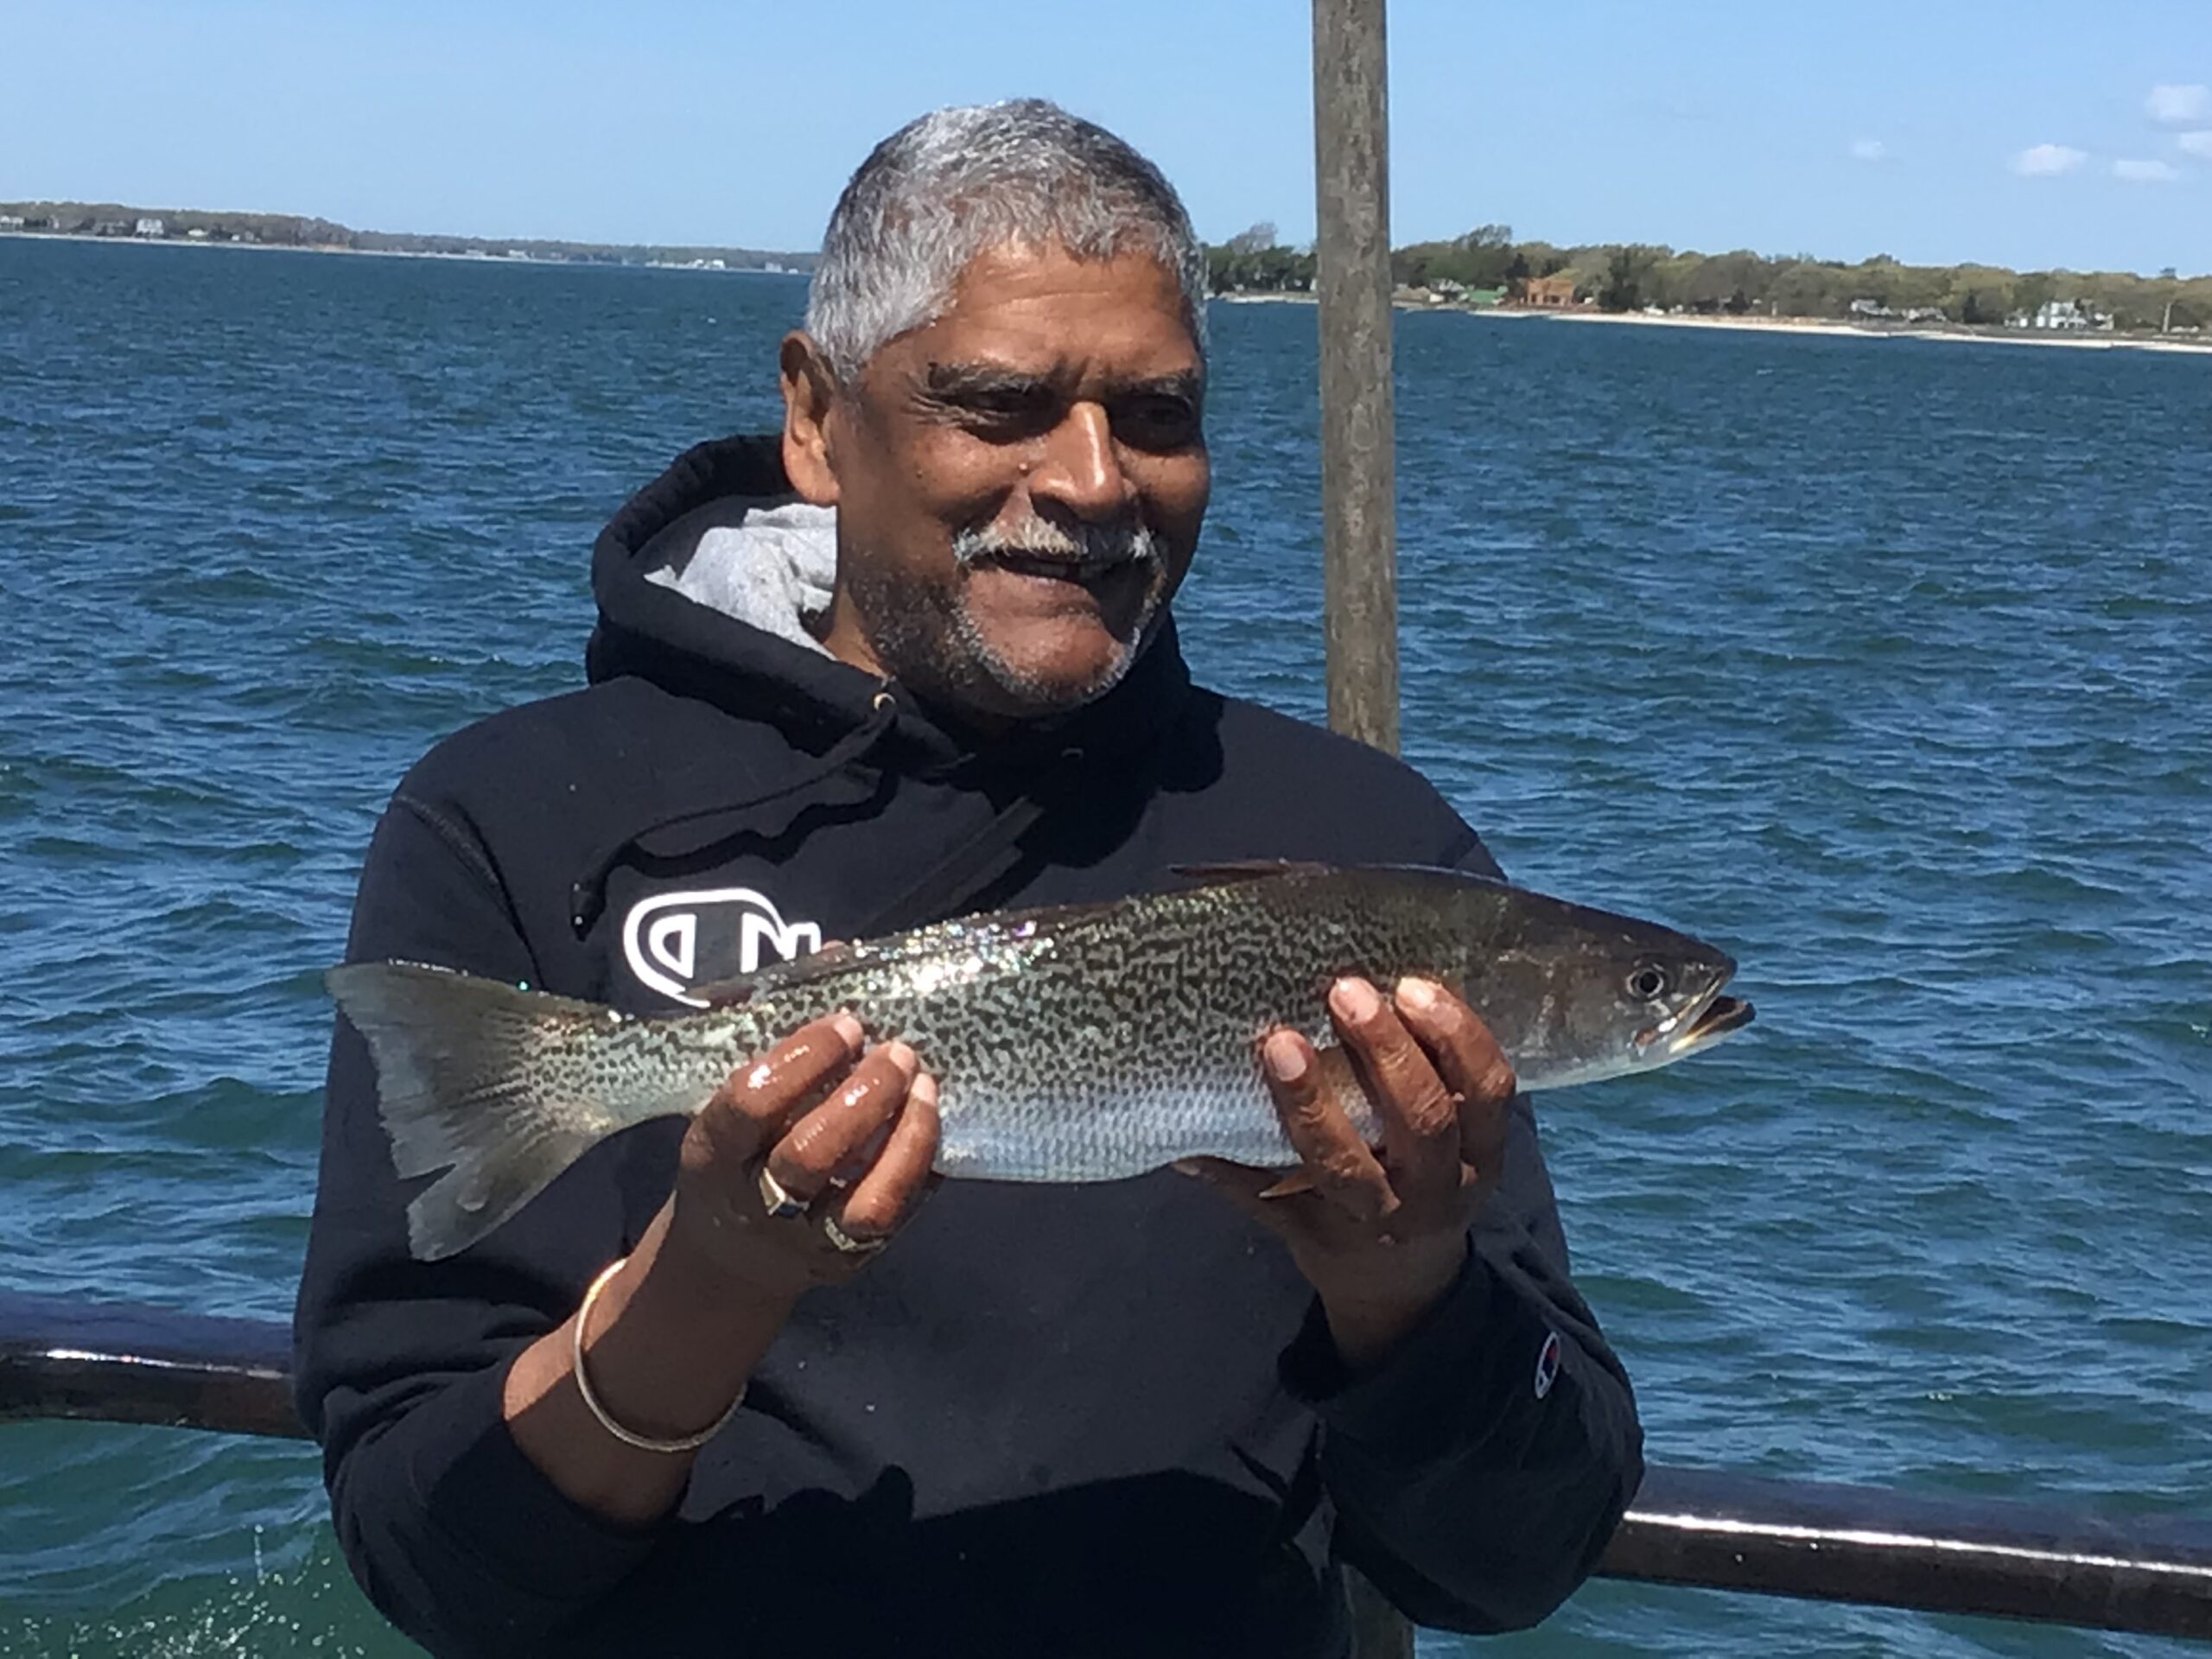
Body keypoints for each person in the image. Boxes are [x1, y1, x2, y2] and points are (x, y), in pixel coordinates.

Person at [293, 99, 1642, 1659]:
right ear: (816, 418)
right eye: (998, 402)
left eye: (1158, 415)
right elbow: (427, 1556)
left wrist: (1410, 1290)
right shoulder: (522, 817)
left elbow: (1519, 1564)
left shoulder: (1379, 859)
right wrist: (705, 1290)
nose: (1090, 479)